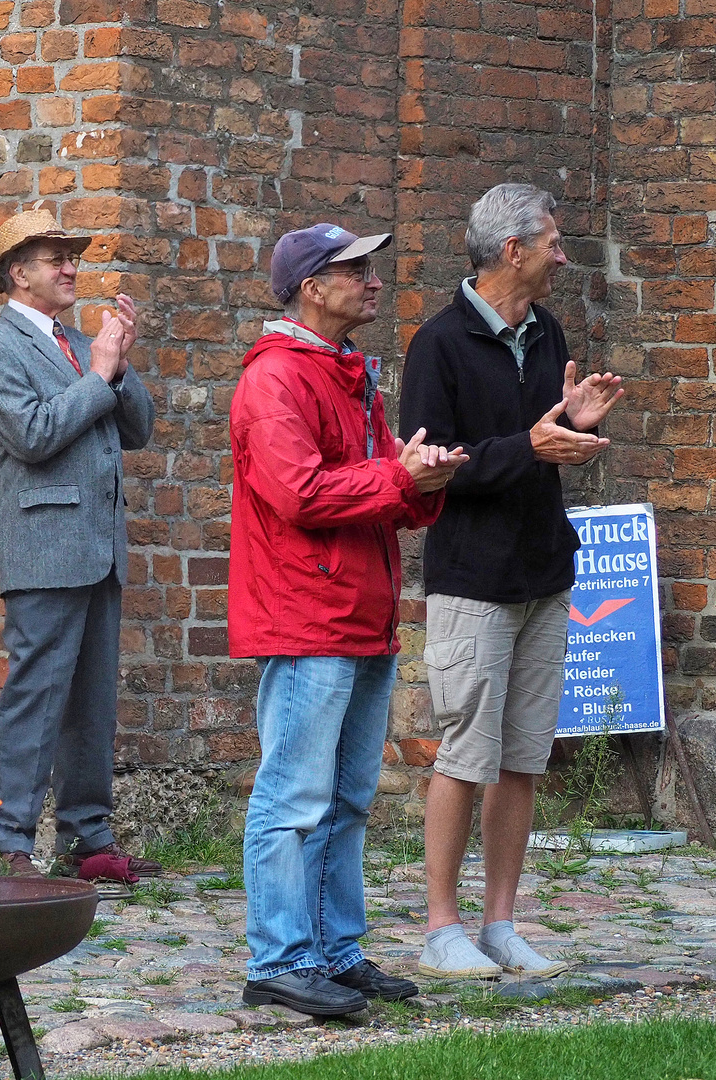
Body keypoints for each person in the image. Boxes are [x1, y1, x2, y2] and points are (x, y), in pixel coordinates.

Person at [230, 223, 467, 1016]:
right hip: (306, 617)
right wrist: (395, 475)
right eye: (353, 269)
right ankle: (279, 959)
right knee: (295, 797)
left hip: (359, 613)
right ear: (310, 287)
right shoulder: (274, 381)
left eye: (369, 266)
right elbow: (299, 493)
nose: (371, 279)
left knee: (347, 799)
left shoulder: (345, 373)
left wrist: (423, 482)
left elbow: (378, 492)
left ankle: (333, 952)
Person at [401, 183, 623, 981]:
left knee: (524, 757)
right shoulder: (439, 344)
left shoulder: (548, 329)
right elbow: (427, 472)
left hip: (542, 571)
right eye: (555, 244)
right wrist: (528, 444)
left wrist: (577, 423)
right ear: (512, 251)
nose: (564, 257)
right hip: (472, 580)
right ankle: (440, 928)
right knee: (465, 753)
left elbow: (542, 442)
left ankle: (500, 922)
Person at [0, 208, 156, 882]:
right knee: (36, 696)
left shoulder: (81, 343)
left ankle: (88, 840)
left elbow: (140, 431)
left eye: (71, 257)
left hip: (99, 546)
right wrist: (99, 374)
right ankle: (6, 841)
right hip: (43, 546)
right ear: (18, 274)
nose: (71, 267)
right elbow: (34, 435)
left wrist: (118, 364)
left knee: (91, 703)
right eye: (54, 258)